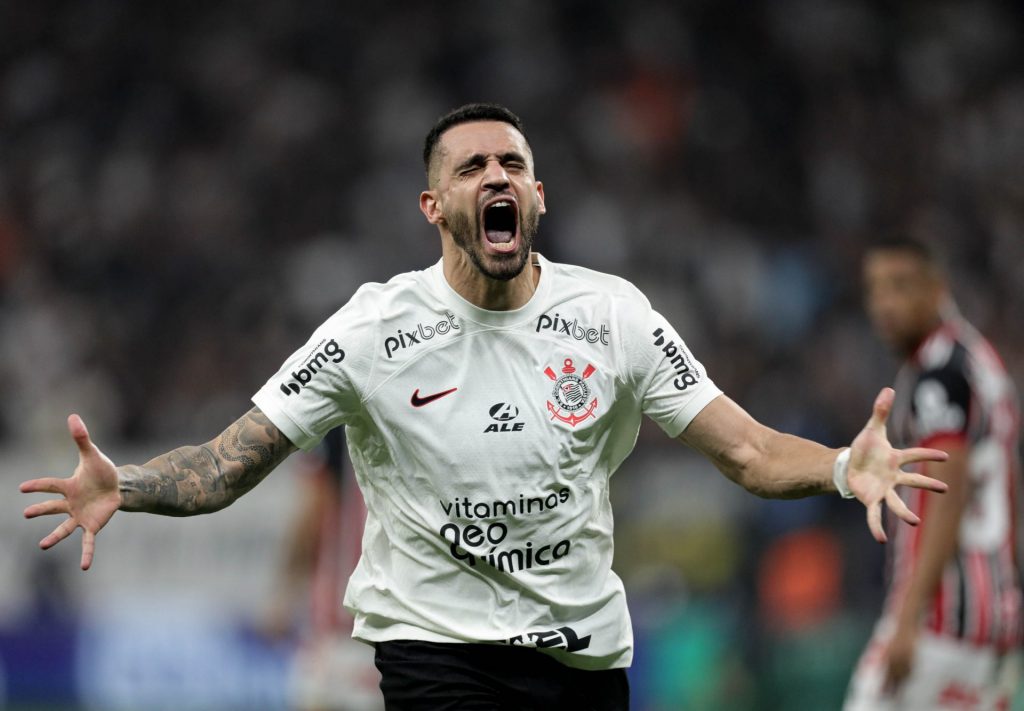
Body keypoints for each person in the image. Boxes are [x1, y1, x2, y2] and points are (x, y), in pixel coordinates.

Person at [22, 103, 948, 710]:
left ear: (537, 196)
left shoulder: (612, 316)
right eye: (472, 167)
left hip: (580, 656)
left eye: (513, 163)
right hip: (435, 652)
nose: (496, 175)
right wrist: (130, 485)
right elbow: (230, 463)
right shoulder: (372, 329)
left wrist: (837, 465)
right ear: (435, 204)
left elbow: (745, 451)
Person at [844, 238, 1023, 710]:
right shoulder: (980, 361)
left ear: (936, 289)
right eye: (876, 290)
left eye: (900, 287)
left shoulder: (938, 376)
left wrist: (909, 616)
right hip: (995, 614)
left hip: (940, 619)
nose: (885, 304)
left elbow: (948, 490)